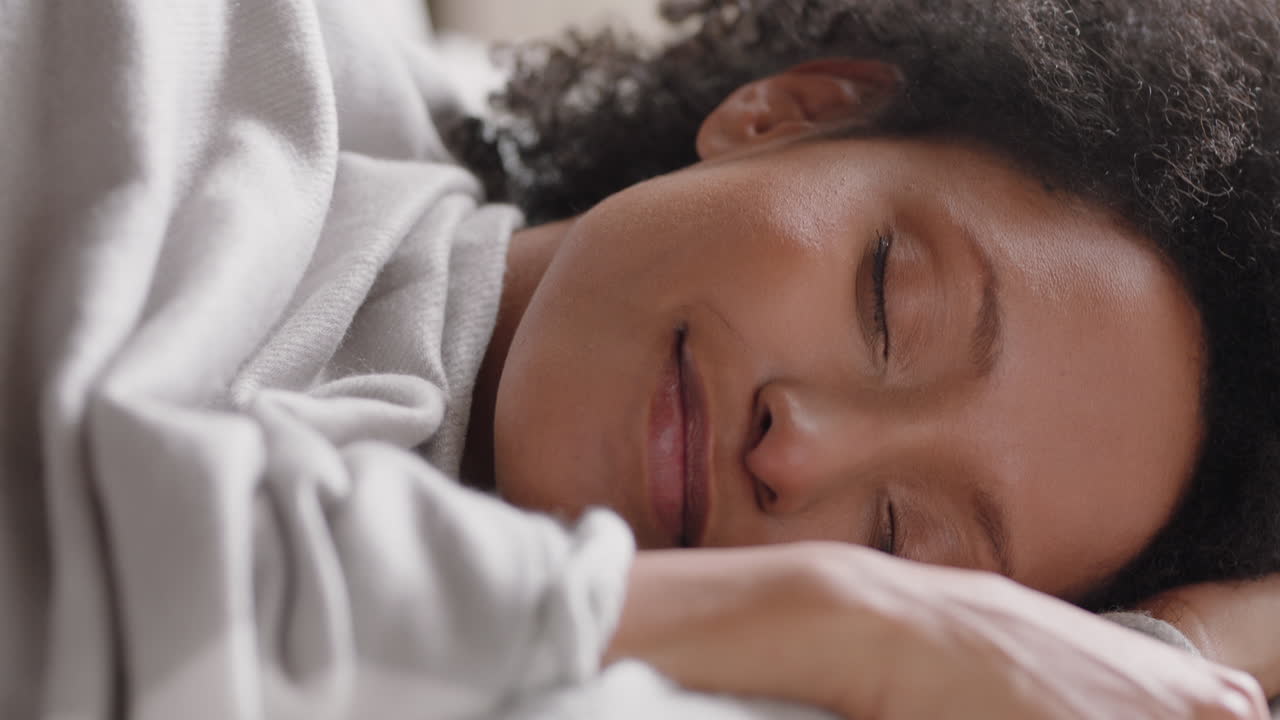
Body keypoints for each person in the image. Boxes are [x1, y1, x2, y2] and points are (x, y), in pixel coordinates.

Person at [0, 0, 1274, 718]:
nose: (798, 452)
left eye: (901, 536)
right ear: (784, 114)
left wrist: (1167, 655)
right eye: (887, 301)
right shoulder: (211, 51)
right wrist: (853, 611)